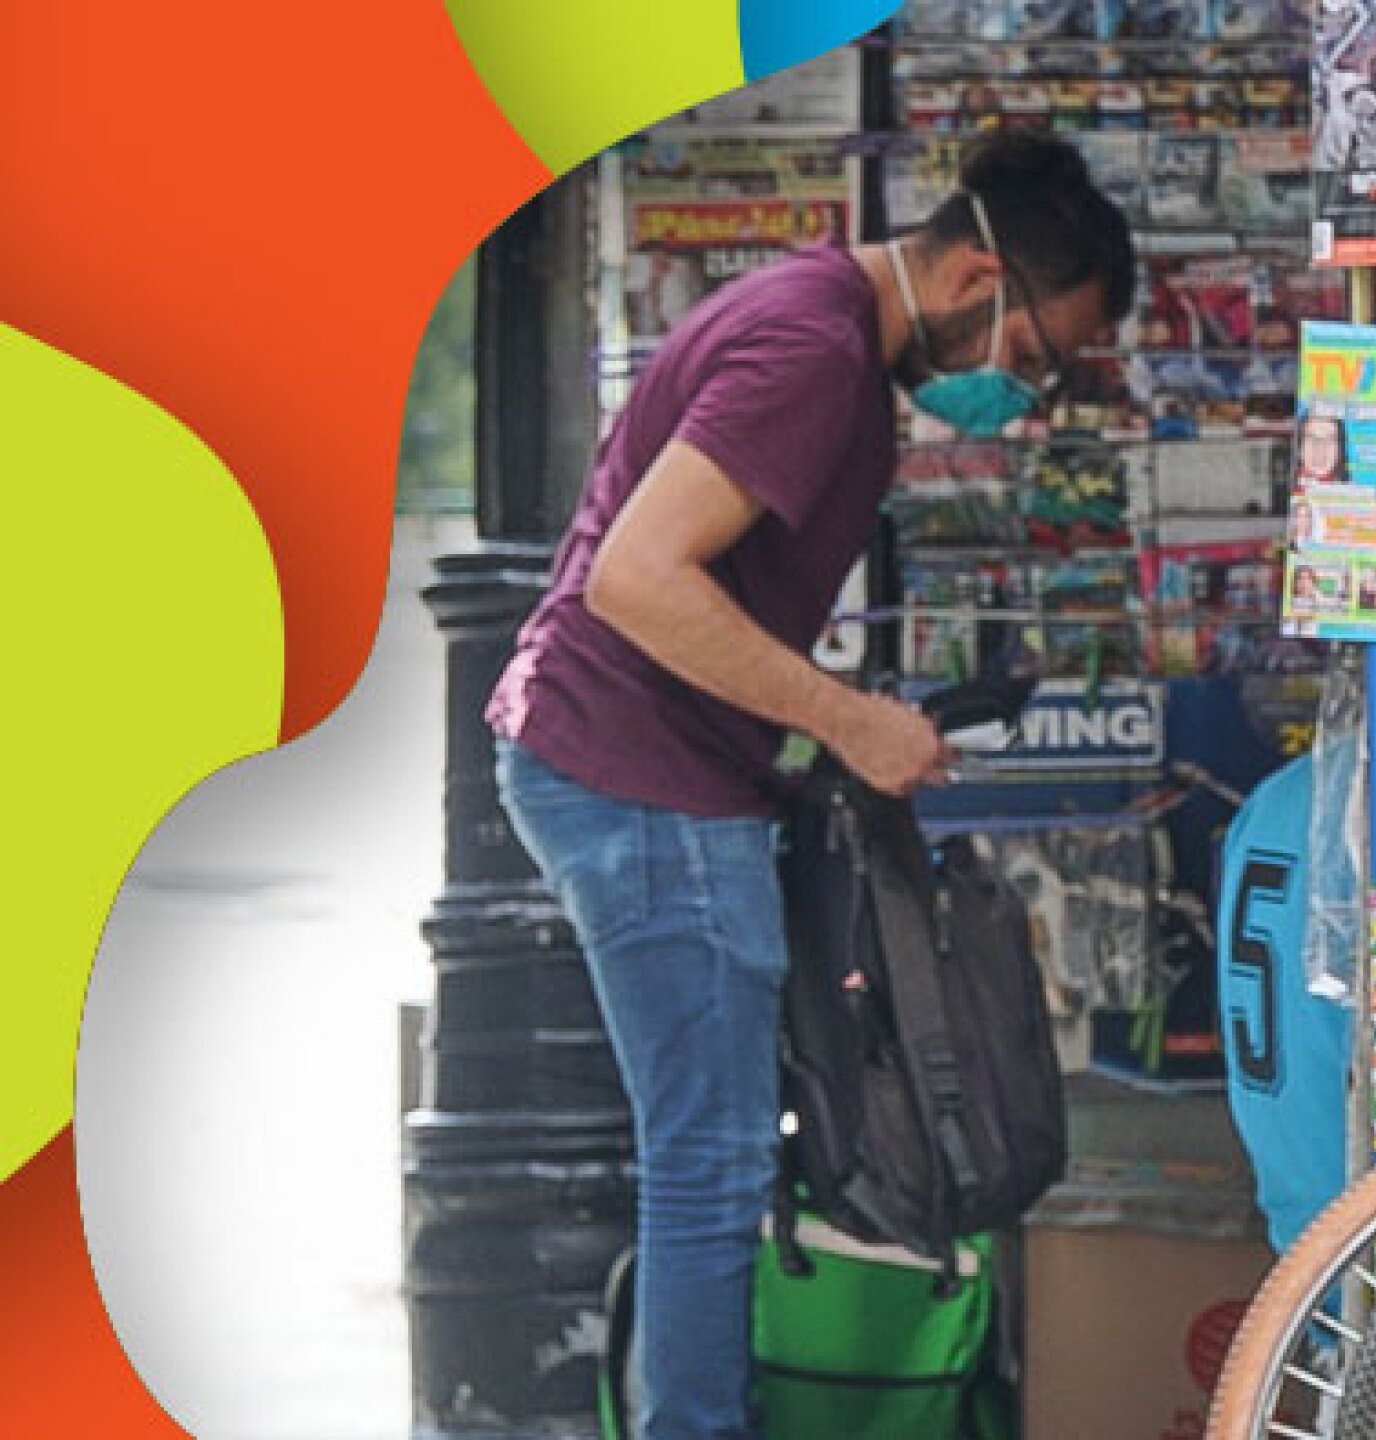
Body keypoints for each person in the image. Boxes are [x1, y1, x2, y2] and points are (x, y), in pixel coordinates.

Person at [485, 133, 1133, 1440]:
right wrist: (846, 717)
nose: (1022, 397)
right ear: (975, 276)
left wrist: (832, 731)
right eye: (1028, 359)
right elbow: (638, 578)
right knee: (710, 1174)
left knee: (708, 1164)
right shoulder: (813, 351)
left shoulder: (813, 320)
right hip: (642, 780)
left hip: (645, 768)